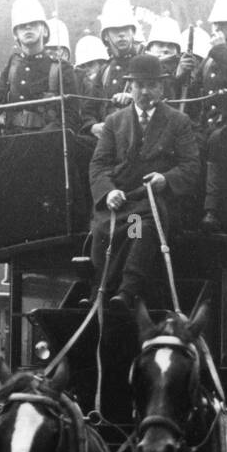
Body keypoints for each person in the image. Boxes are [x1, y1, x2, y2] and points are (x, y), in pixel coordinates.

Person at [89, 52, 201, 311]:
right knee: (105, 233)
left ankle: (126, 291)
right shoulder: (114, 122)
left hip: (154, 203)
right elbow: (99, 164)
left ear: (161, 87)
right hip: (118, 203)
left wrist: (166, 178)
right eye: (139, 85)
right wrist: (108, 193)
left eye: (152, 85)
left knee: (139, 229)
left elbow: (191, 166)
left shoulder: (178, 122)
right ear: (130, 86)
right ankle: (100, 289)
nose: (145, 91)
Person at [0, 0, 80, 135]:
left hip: (48, 144)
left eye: (33, 24)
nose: (28, 28)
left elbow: (72, 115)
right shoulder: (12, 66)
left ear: (44, 30)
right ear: (16, 34)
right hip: (12, 141)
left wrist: (47, 135)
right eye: (22, 26)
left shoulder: (61, 68)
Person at [88, 0, 141, 139]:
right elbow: (88, 110)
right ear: (106, 36)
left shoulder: (145, 64)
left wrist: (134, 98)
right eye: (115, 30)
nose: (122, 34)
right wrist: (93, 126)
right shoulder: (104, 71)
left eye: (126, 29)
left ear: (133, 32)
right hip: (107, 137)